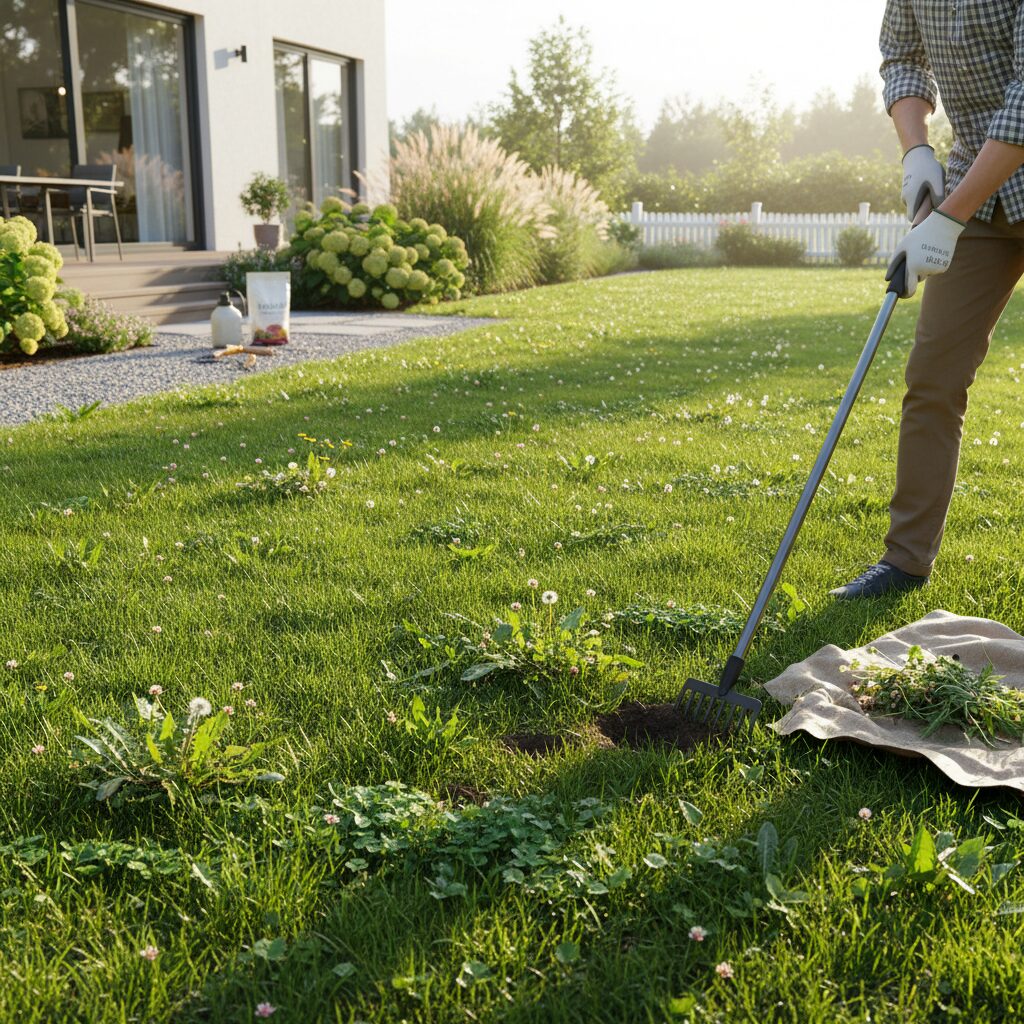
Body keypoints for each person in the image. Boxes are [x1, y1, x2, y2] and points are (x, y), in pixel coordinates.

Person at [831, 1, 1024, 599]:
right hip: (978, 184)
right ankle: (906, 561)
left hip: (979, 186)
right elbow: (904, 58)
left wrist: (946, 218)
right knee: (933, 376)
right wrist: (916, 149)